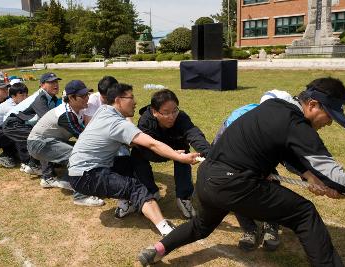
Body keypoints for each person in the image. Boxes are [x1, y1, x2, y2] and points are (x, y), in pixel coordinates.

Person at [138, 77, 345, 267]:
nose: (329, 123)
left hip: (207, 179)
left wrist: (308, 175)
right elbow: (334, 175)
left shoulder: (273, 108)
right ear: (313, 104)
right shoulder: (297, 125)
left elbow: (281, 149)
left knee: (201, 226)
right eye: (330, 116)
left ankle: (157, 249)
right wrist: (330, 182)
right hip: (234, 184)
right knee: (304, 213)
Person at [68, 83, 200, 236]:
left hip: (81, 171)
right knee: (136, 187)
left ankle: (130, 200)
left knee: (132, 163)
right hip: (87, 176)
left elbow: (135, 144)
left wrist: (171, 153)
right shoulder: (116, 123)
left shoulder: (103, 111)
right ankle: (165, 228)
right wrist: (178, 157)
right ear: (118, 100)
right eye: (131, 97)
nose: (135, 101)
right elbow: (150, 143)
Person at [212, 89, 293, 251]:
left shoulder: (282, 124)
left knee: (273, 182)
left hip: (262, 158)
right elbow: (218, 145)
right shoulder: (239, 117)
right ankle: (249, 228)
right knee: (235, 187)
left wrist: (309, 176)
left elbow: (288, 155)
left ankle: (271, 224)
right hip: (235, 161)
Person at [130, 89, 210, 219]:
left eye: (174, 111)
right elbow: (147, 148)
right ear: (155, 112)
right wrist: (171, 154)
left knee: (184, 155)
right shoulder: (145, 121)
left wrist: (208, 153)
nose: (172, 116)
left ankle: (184, 197)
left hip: (177, 148)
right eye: (166, 113)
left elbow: (194, 134)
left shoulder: (181, 117)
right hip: (152, 150)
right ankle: (151, 190)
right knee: (136, 154)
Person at [27, 80, 104, 206]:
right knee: (79, 156)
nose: (87, 98)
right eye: (83, 96)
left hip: (50, 142)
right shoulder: (66, 115)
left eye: (87, 94)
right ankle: (81, 196)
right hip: (38, 144)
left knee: (81, 152)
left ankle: (66, 180)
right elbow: (84, 138)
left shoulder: (77, 109)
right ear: (71, 98)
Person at [3, 72, 61, 176]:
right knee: (43, 137)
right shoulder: (40, 97)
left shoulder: (51, 98)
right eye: (51, 82)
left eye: (56, 81)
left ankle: (33, 164)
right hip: (13, 124)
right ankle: (41, 171)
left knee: (44, 135)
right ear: (42, 85)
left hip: (20, 123)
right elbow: (48, 120)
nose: (55, 84)